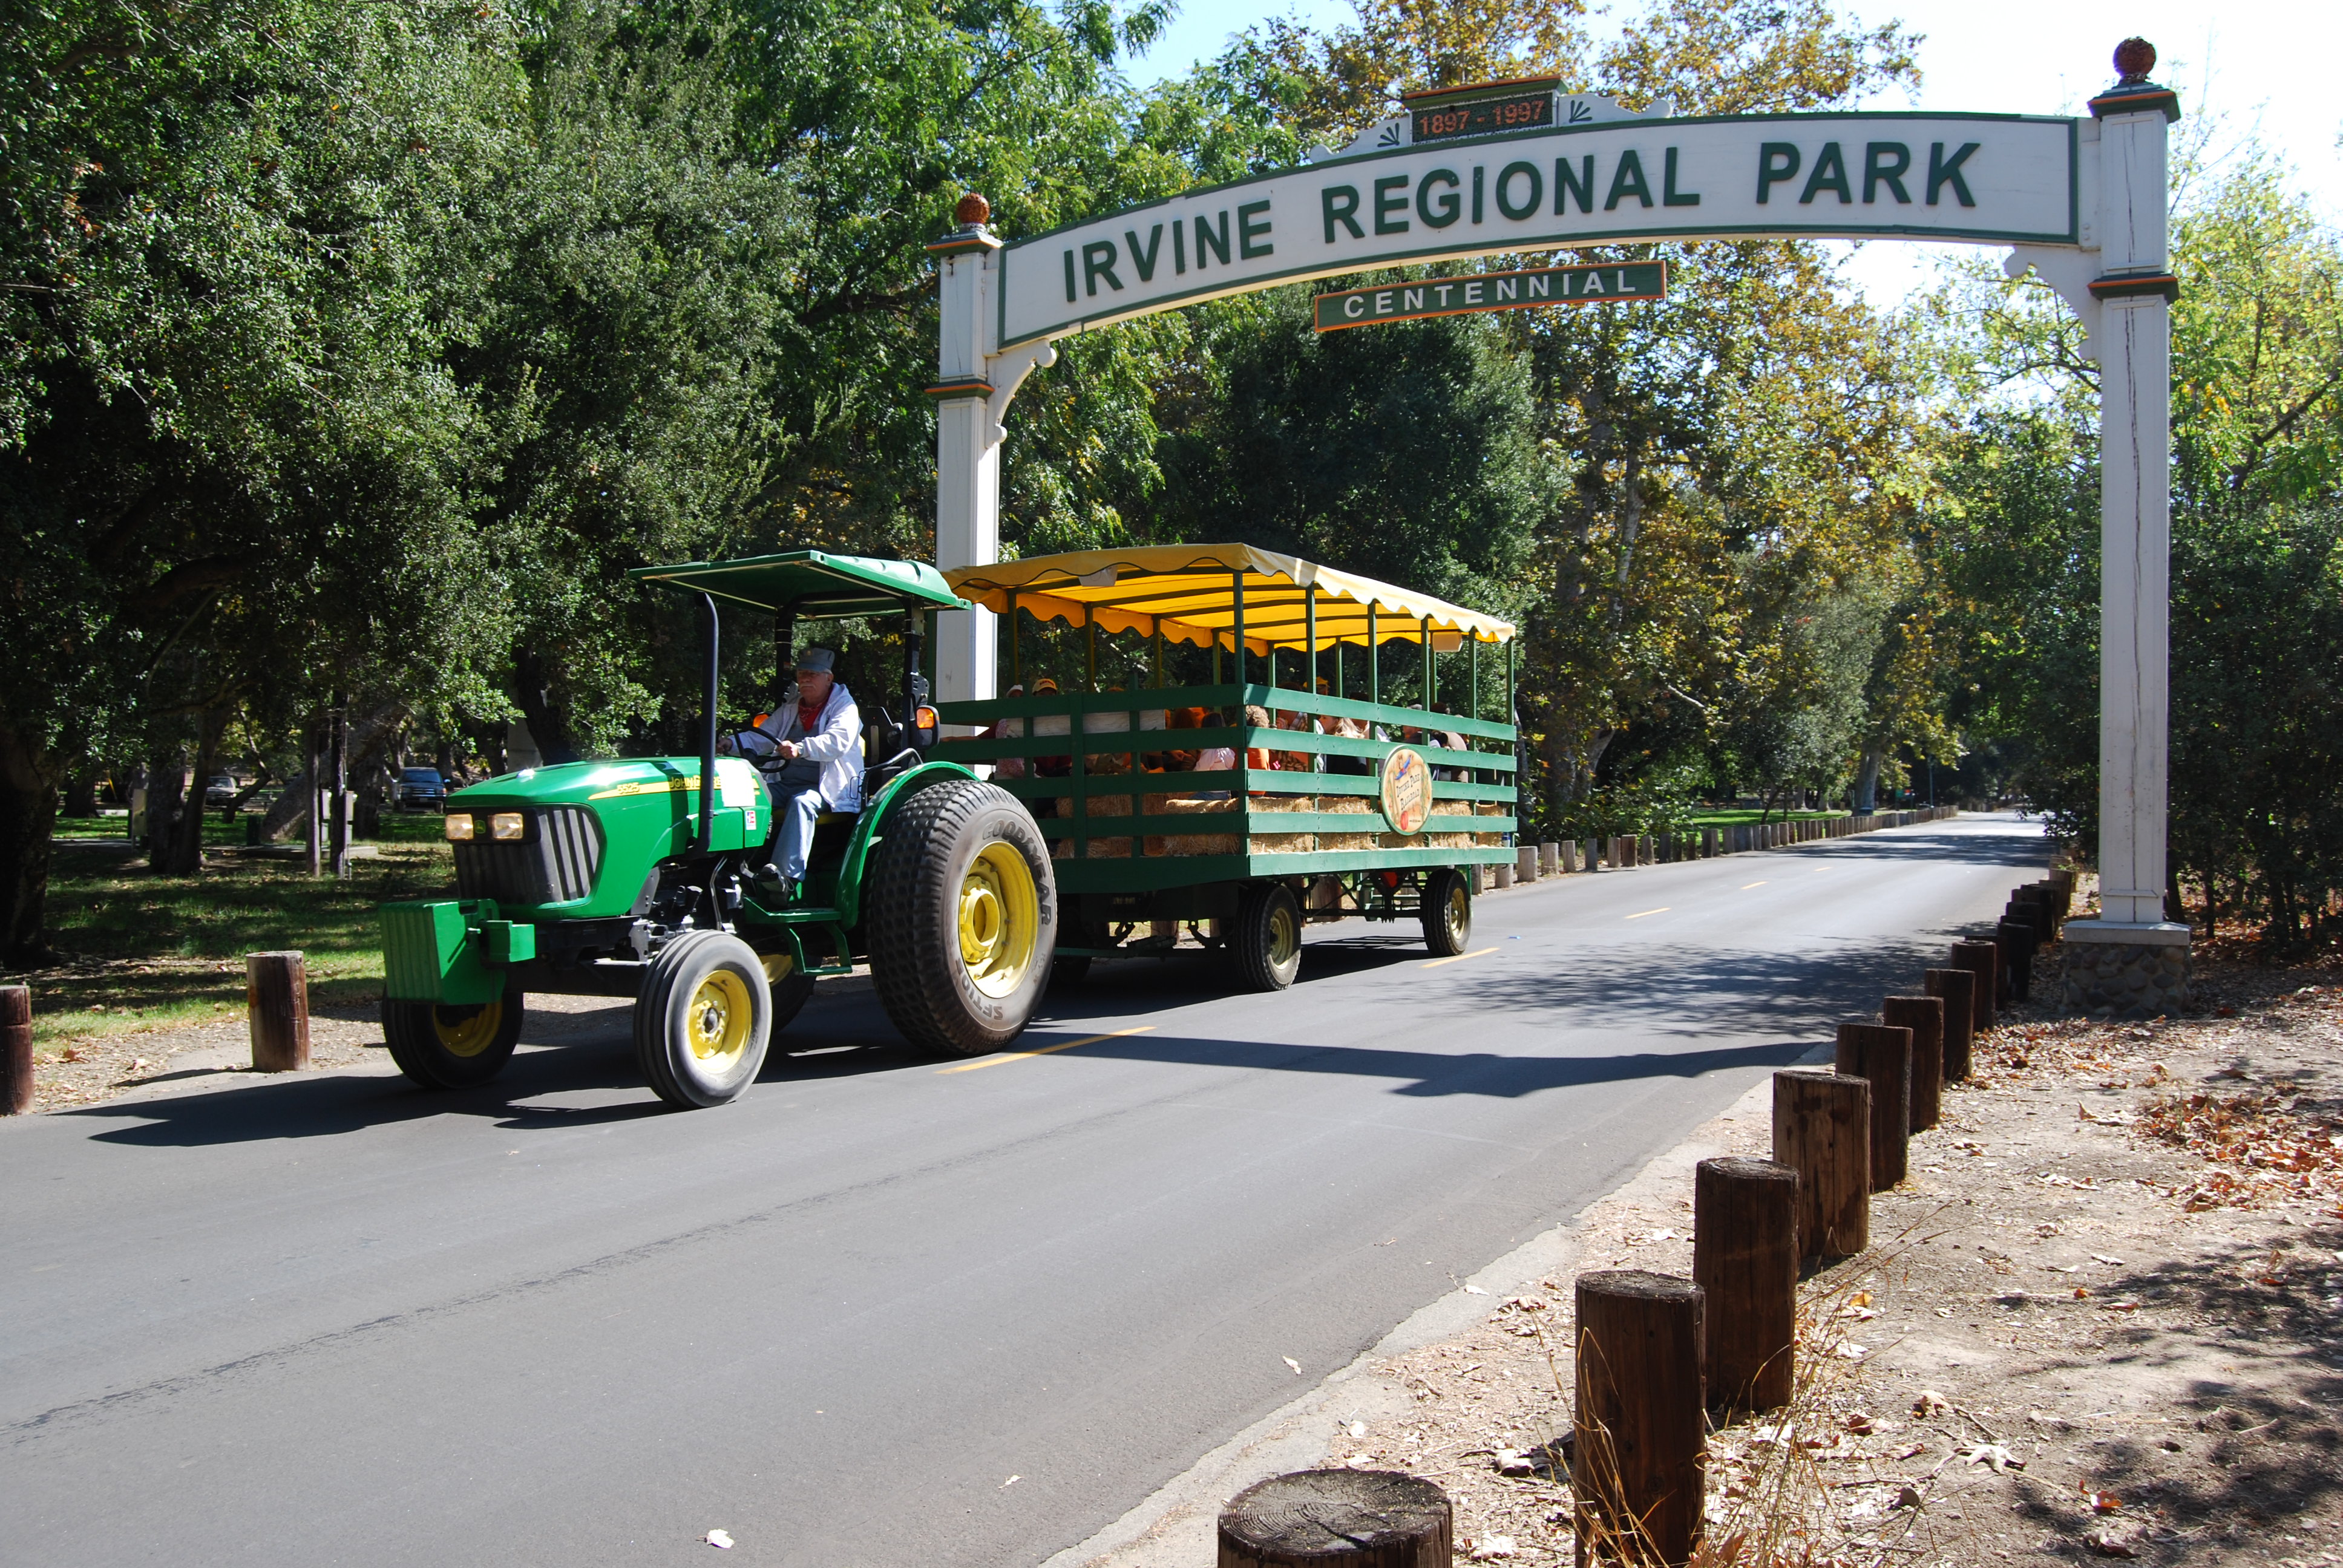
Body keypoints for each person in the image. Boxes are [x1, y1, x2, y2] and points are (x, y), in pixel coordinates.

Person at [750, 647, 862, 900]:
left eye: (812, 674)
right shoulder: (792, 709)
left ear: (828, 678)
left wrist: (801, 748)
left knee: (802, 803)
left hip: (829, 788)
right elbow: (761, 738)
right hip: (786, 782)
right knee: (752, 795)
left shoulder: (845, 708)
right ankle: (743, 862)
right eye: (802, 674)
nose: (805, 679)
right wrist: (730, 744)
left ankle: (784, 879)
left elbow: (837, 743)